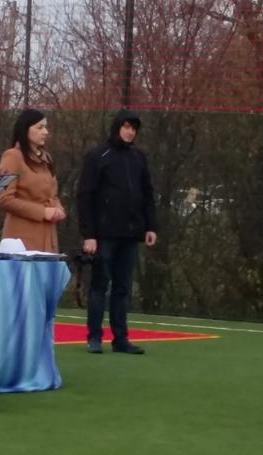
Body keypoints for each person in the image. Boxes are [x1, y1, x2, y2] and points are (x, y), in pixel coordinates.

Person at [77, 110, 157, 355]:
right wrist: (89, 234)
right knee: (100, 285)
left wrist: (150, 226)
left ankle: (121, 339)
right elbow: (85, 196)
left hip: (130, 234)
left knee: (122, 288)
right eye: (126, 126)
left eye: (133, 128)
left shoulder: (138, 158)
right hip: (104, 235)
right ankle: (94, 337)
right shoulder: (97, 156)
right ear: (116, 127)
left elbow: (147, 193)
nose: (130, 132)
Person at [0, 109, 65, 252]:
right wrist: (42, 212)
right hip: (22, 239)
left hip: (48, 237)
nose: (45, 132)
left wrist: (58, 209)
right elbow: (4, 199)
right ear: (25, 129)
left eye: (45, 127)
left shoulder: (46, 158)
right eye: (40, 127)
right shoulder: (12, 157)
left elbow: (52, 194)